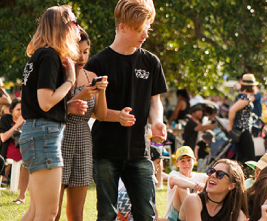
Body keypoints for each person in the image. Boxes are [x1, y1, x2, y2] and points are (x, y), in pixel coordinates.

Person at [84, 1, 168, 220]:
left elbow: (155, 101)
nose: (145, 36)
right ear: (122, 27)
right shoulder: (97, 63)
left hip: (140, 150)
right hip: (105, 150)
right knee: (106, 215)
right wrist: (117, 116)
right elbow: (92, 110)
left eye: (146, 29)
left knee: (147, 214)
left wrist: (157, 121)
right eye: (139, 30)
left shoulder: (151, 62)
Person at [19, 5, 83, 220]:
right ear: (62, 26)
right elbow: (45, 102)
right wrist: (70, 81)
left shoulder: (38, 55)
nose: (78, 28)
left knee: (35, 211)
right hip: (44, 135)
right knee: (47, 213)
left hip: (35, 133)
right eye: (74, 22)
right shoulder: (49, 56)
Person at [56, 27, 108, 221]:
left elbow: (101, 115)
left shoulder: (90, 75)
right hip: (59, 137)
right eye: (78, 51)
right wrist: (81, 95)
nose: (82, 56)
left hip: (84, 140)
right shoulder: (59, 74)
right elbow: (49, 107)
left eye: (86, 51)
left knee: (77, 214)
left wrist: (101, 91)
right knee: (53, 212)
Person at [178, 159, 249, 221]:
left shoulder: (236, 213)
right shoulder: (193, 200)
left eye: (219, 174)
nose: (212, 175)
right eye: (211, 171)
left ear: (231, 186)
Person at [117, 145, 168, 221]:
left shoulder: (136, 170)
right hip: (122, 205)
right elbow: (150, 205)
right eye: (158, 162)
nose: (159, 166)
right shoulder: (144, 176)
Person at [166, 146, 207, 220]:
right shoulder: (174, 174)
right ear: (177, 163)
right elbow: (173, 180)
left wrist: (204, 185)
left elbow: (214, 184)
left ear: (194, 161)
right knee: (181, 188)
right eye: (182, 161)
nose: (186, 163)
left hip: (196, 214)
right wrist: (196, 186)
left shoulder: (201, 176)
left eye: (189, 160)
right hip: (176, 216)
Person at [0, 98, 29, 204]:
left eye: (23, 109)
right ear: (11, 110)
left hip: (24, 147)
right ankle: (5, 179)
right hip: (8, 148)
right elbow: (3, 138)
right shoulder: (6, 119)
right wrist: (17, 125)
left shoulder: (28, 121)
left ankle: (19, 184)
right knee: (16, 155)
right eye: (18, 109)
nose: (21, 112)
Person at [227, 73, 258, 164]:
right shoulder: (245, 98)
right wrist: (230, 125)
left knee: (242, 156)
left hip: (239, 130)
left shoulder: (241, 96)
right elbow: (232, 110)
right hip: (242, 130)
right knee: (250, 156)